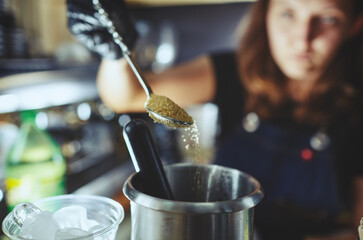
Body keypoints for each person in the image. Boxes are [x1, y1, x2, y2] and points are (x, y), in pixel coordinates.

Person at [67, 0, 363, 239]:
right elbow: (126, 96)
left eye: (327, 19)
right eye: (288, 13)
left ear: (354, 24)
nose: (302, 39)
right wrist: (116, 53)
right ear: (266, 13)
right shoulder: (233, 71)